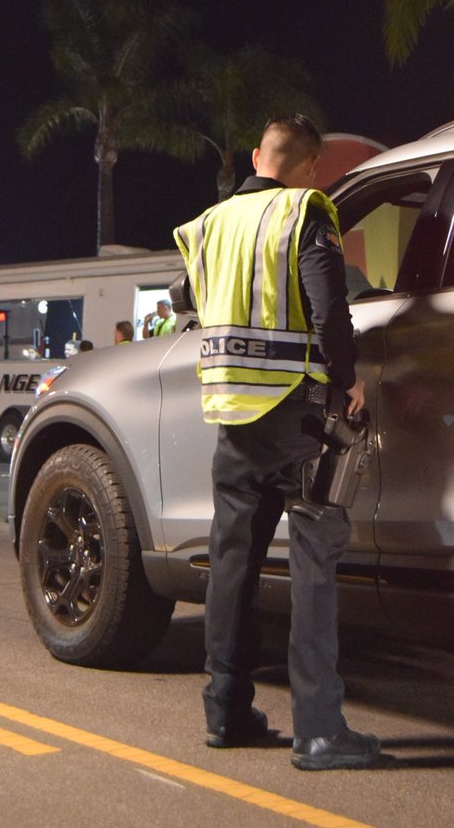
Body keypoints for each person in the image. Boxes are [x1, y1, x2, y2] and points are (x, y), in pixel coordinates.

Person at [174, 114, 386, 771]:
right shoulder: (303, 213)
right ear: (307, 166)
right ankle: (319, 731)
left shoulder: (210, 225)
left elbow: (184, 296)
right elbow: (329, 308)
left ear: (259, 155)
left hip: (233, 415)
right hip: (298, 416)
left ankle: (227, 713)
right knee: (314, 565)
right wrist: (348, 380)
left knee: (233, 565)